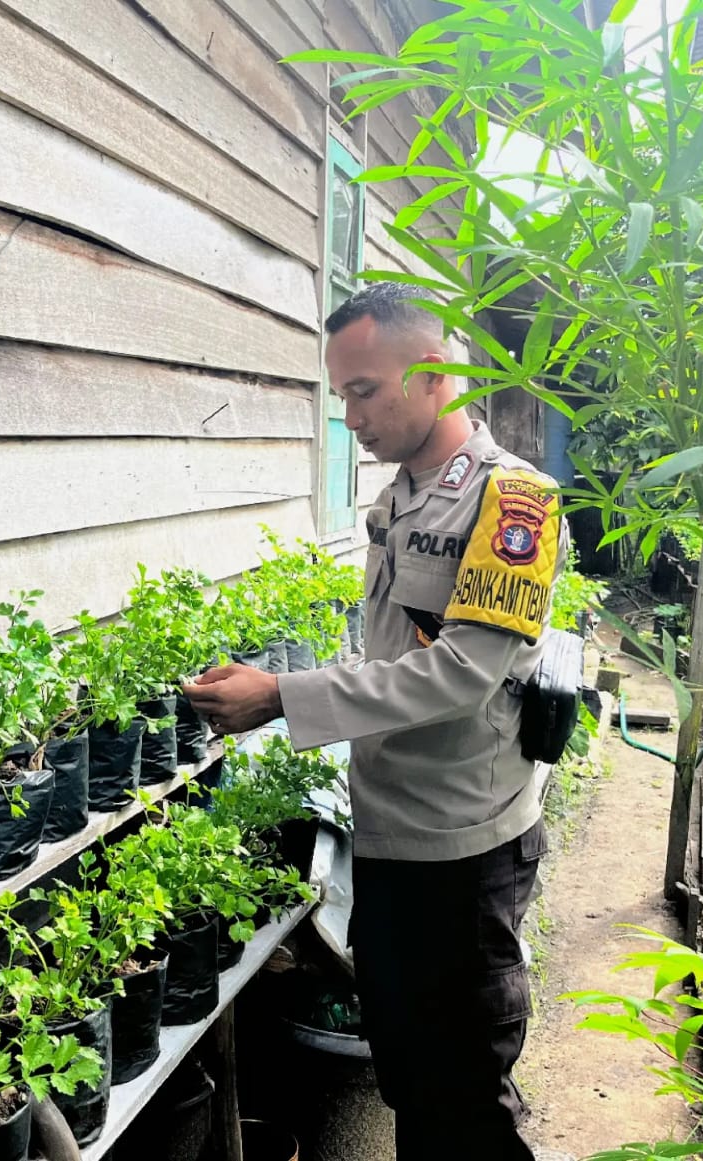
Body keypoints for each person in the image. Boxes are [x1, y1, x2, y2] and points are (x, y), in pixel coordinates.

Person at [184, 282, 571, 1161]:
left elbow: (462, 673)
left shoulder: (514, 504)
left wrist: (283, 697)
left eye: (361, 390)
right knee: (405, 1075)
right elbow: (387, 653)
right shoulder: (400, 498)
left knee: (465, 1102)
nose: (347, 415)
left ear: (432, 375)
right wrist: (279, 688)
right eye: (340, 393)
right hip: (393, 833)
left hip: (463, 851)